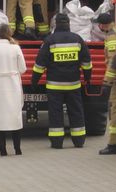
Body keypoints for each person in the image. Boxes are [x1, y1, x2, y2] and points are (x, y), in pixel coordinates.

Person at [31, 13, 92, 149]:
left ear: (56, 24)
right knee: (76, 111)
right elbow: (87, 62)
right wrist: (87, 78)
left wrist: (34, 82)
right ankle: (79, 140)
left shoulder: (50, 41)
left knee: (55, 113)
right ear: (68, 24)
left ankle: (57, 142)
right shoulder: (77, 39)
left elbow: (40, 64)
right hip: (73, 85)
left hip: (55, 86)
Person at [0, 24, 27, 156]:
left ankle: (2, 149)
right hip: (12, 85)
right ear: (9, 33)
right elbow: (23, 69)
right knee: (14, 116)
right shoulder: (15, 48)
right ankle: (17, 149)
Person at [96, 13, 116, 155]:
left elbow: (114, 60)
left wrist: (106, 82)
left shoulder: (112, 36)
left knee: (114, 110)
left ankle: (113, 144)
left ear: (102, 25)